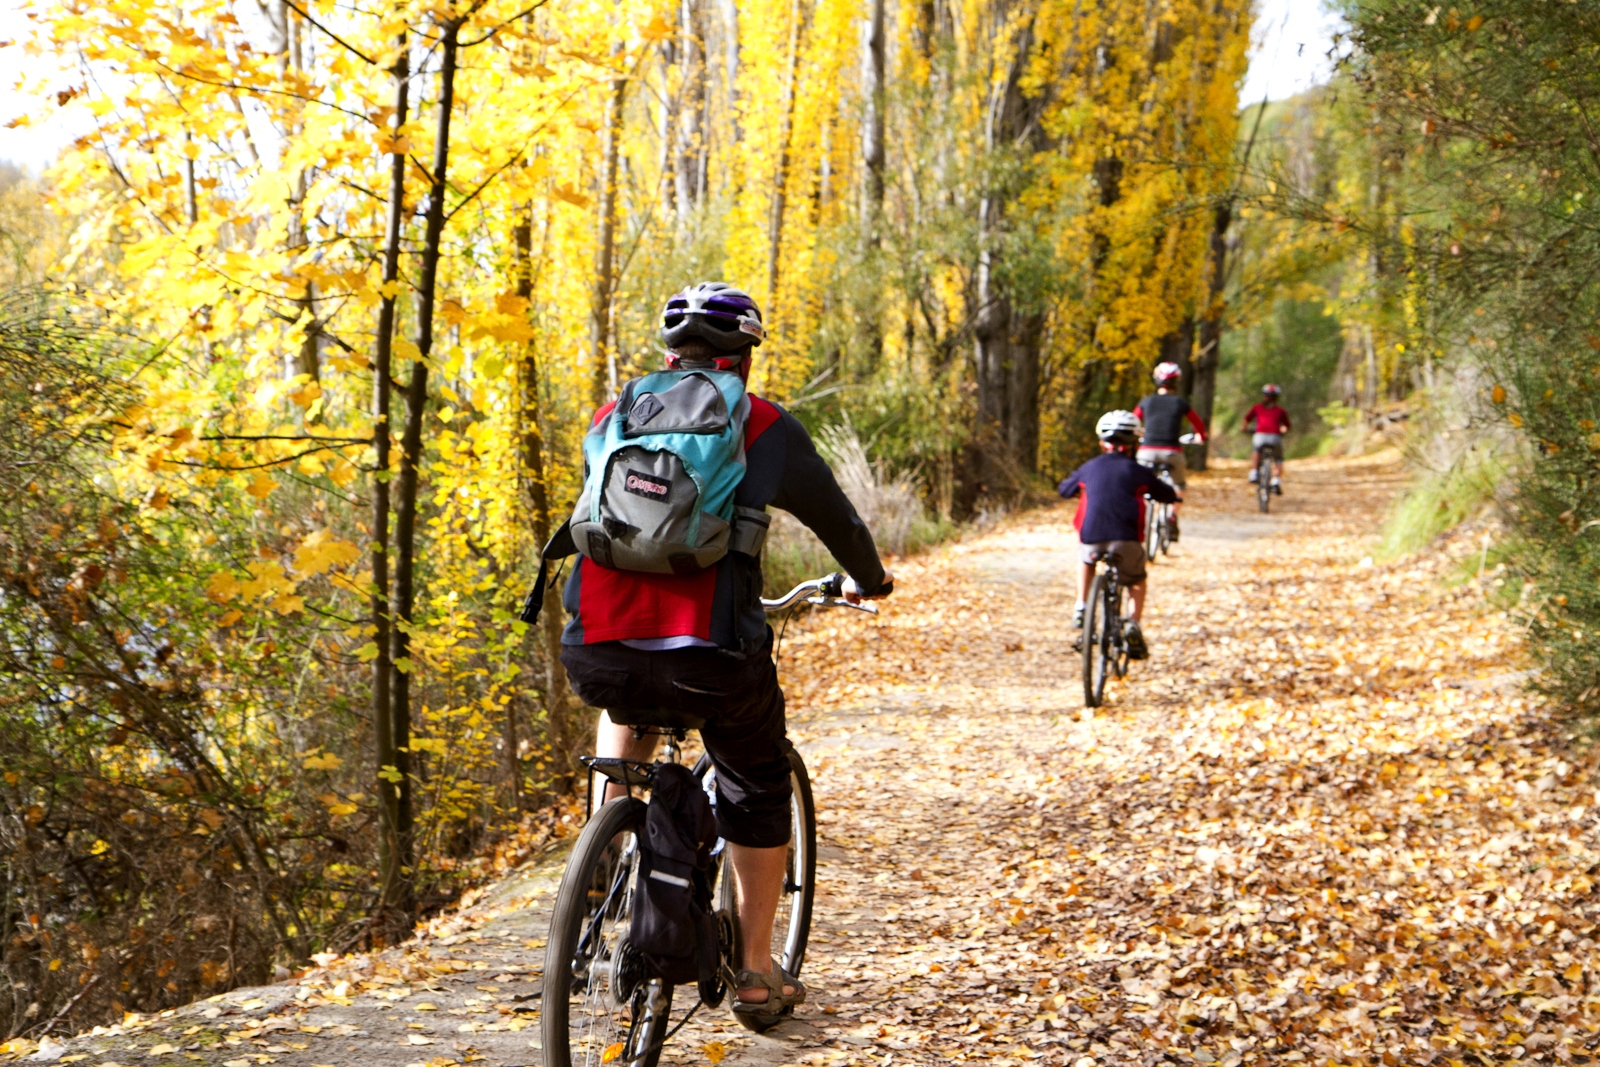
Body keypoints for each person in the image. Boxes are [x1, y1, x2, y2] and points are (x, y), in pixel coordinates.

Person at [556, 282, 893, 1029]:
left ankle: (607, 840)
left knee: (624, 699)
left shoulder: (616, 414)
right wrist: (871, 579)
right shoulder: (764, 423)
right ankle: (755, 970)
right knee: (755, 779)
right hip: (709, 653)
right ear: (745, 354)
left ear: (669, 353)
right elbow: (838, 520)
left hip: (594, 642)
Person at [1057, 410, 1180, 660]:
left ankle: (1081, 606)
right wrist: (1172, 495)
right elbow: (1166, 494)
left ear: (1102, 442)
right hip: (1127, 539)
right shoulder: (1137, 471)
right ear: (1135, 443)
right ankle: (1133, 623)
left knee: (1087, 559)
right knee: (1136, 579)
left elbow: (1064, 490)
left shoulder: (1089, 467)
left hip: (1092, 536)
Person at [1132, 361, 1207, 541]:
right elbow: (1198, 425)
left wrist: (1139, 433)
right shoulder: (1180, 403)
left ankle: (1138, 515)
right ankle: (1172, 515)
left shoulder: (1146, 402)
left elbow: (1133, 421)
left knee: (1137, 486)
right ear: (1176, 382)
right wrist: (1201, 437)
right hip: (1171, 452)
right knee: (1179, 486)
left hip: (1146, 451)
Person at [1244, 384, 1290, 494]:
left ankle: (1254, 472)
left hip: (1259, 436)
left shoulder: (1257, 408)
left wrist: (1245, 429)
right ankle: (1276, 481)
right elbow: (1286, 426)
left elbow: (1246, 420)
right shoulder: (1280, 410)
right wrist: (1282, 430)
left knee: (1256, 450)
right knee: (1278, 458)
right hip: (1275, 437)